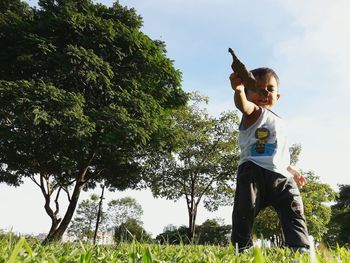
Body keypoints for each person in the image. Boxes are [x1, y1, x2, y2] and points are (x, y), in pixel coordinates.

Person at [229, 67, 310, 252]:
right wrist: (239, 91)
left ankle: (299, 247)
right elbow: (243, 106)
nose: (264, 93)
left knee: (294, 209)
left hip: (281, 177)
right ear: (248, 92)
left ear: (278, 96)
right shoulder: (254, 112)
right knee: (244, 210)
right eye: (256, 88)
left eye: (270, 89)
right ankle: (241, 247)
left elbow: (278, 153)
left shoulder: (280, 122)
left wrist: (292, 169)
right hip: (253, 172)